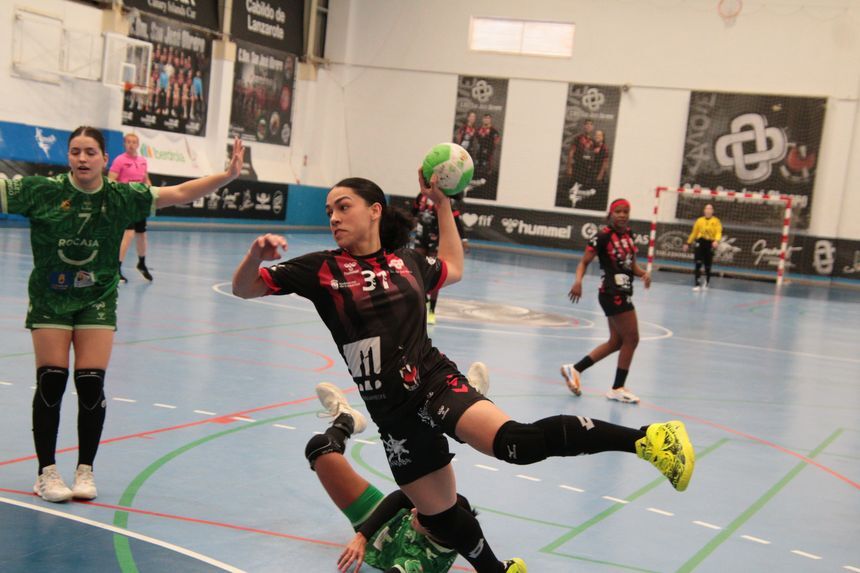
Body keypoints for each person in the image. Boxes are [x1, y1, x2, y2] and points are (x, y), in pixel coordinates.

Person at [232, 173, 694, 572]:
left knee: (516, 443)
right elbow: (246, 288)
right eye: (329, 209)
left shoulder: (407, 263)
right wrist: (257, 253)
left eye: (343, 206)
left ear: (375, 211)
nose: (333, 216)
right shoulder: (321, 270)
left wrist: (443, 204)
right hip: (393, 417)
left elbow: (454, 265)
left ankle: (650, 439)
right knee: (439, 515)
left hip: (434, 384)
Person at [0, 126, 245, 503]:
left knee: (90, 383)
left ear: (103, 158)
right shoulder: (42, 190)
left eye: (90, 152)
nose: (82, 158)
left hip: (96, 298)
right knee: (51, 380)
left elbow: (177, 193)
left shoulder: (120, 197)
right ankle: (46, 472)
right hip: (50, 299)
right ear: (68, 156)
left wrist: (227, 176)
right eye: (76, 151)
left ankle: (85, 470)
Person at [308, 363, 490, 573]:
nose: (414, 509)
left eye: (420, 514)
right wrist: (362, 536)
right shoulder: (442, 520)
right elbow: (401, 498)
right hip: (378, 519)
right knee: (422, 429)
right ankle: (467, 404)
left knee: (319, 448)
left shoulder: (422, 563)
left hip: (370, 522)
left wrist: (363, 535)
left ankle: (345, 419)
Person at [561, 199, 651, 404]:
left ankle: (575, 369)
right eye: (618, 211)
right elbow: (583, 262)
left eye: (625, 211)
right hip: (612, 293)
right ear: (610, 214)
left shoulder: (629, 235)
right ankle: (617, 388)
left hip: (624, 290)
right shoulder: (602, 236)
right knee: (632, 338)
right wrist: (578, 281)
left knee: (616, 341)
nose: (622, 214)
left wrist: (643, 274)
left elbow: (631, 266)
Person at [411, 190, 467, 324]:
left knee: (435, 271)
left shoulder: (444, 197)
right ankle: (421, 306)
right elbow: (412, 212)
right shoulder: (421, 196)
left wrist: (463, 239)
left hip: (437, 237)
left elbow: (455, 220)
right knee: (417, 271)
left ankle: (432, 311)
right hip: (421, 236)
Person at [109, 133, 153, 282]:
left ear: (138, 144)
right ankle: (117, 268)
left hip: (139, 203)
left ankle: (141, 263)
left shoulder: (142, 161)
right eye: (128, 142)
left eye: (134, 142)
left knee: (142, 234)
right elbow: (111, 181)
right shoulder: (119, 160)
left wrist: (150, 193)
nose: (131, 144)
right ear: (124, 144)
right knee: (128, 234)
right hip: (125, 203)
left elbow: (146, 179)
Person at [683, 203, 722, 291]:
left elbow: (719, 232)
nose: (708, 210)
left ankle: (707, 282)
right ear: (704, 210)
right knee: (698, 263)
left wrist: (716, 240)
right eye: (707, 209)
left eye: (710, 209)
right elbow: (694, 233)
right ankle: (697, 284)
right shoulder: (699, 220)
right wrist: (687, 243)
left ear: (712, 211)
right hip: (700, 242)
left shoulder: (716, 221)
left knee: (708, 265)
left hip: (710, 243)